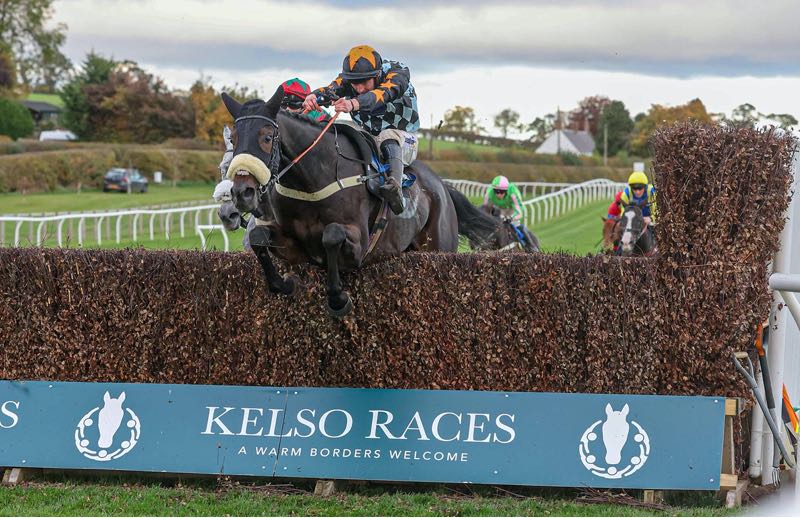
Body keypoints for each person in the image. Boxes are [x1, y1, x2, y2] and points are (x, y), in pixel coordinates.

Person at [303, 45, 419, 215]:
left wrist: (353, 103)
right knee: (341, 131)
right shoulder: (349, 80)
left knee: (387, 135)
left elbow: (382, 95)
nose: (359, 88)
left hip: (404, 138)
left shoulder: (398, 73)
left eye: (364, 82)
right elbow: (330, 90)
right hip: (369, 135)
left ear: (377, 75)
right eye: (355, 83)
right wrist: (314, 97)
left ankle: (395, 188)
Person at [483, 175, 536, 247]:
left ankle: (531, 246)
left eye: (502, 192)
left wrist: (511, 218)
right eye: (496, 191)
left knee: (516, 225)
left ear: (506, 190)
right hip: (499, 209)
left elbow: (519, 212)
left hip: (512, 209)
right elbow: (485, 211)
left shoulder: (513, 193)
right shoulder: (489, 193)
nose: (499, 194)